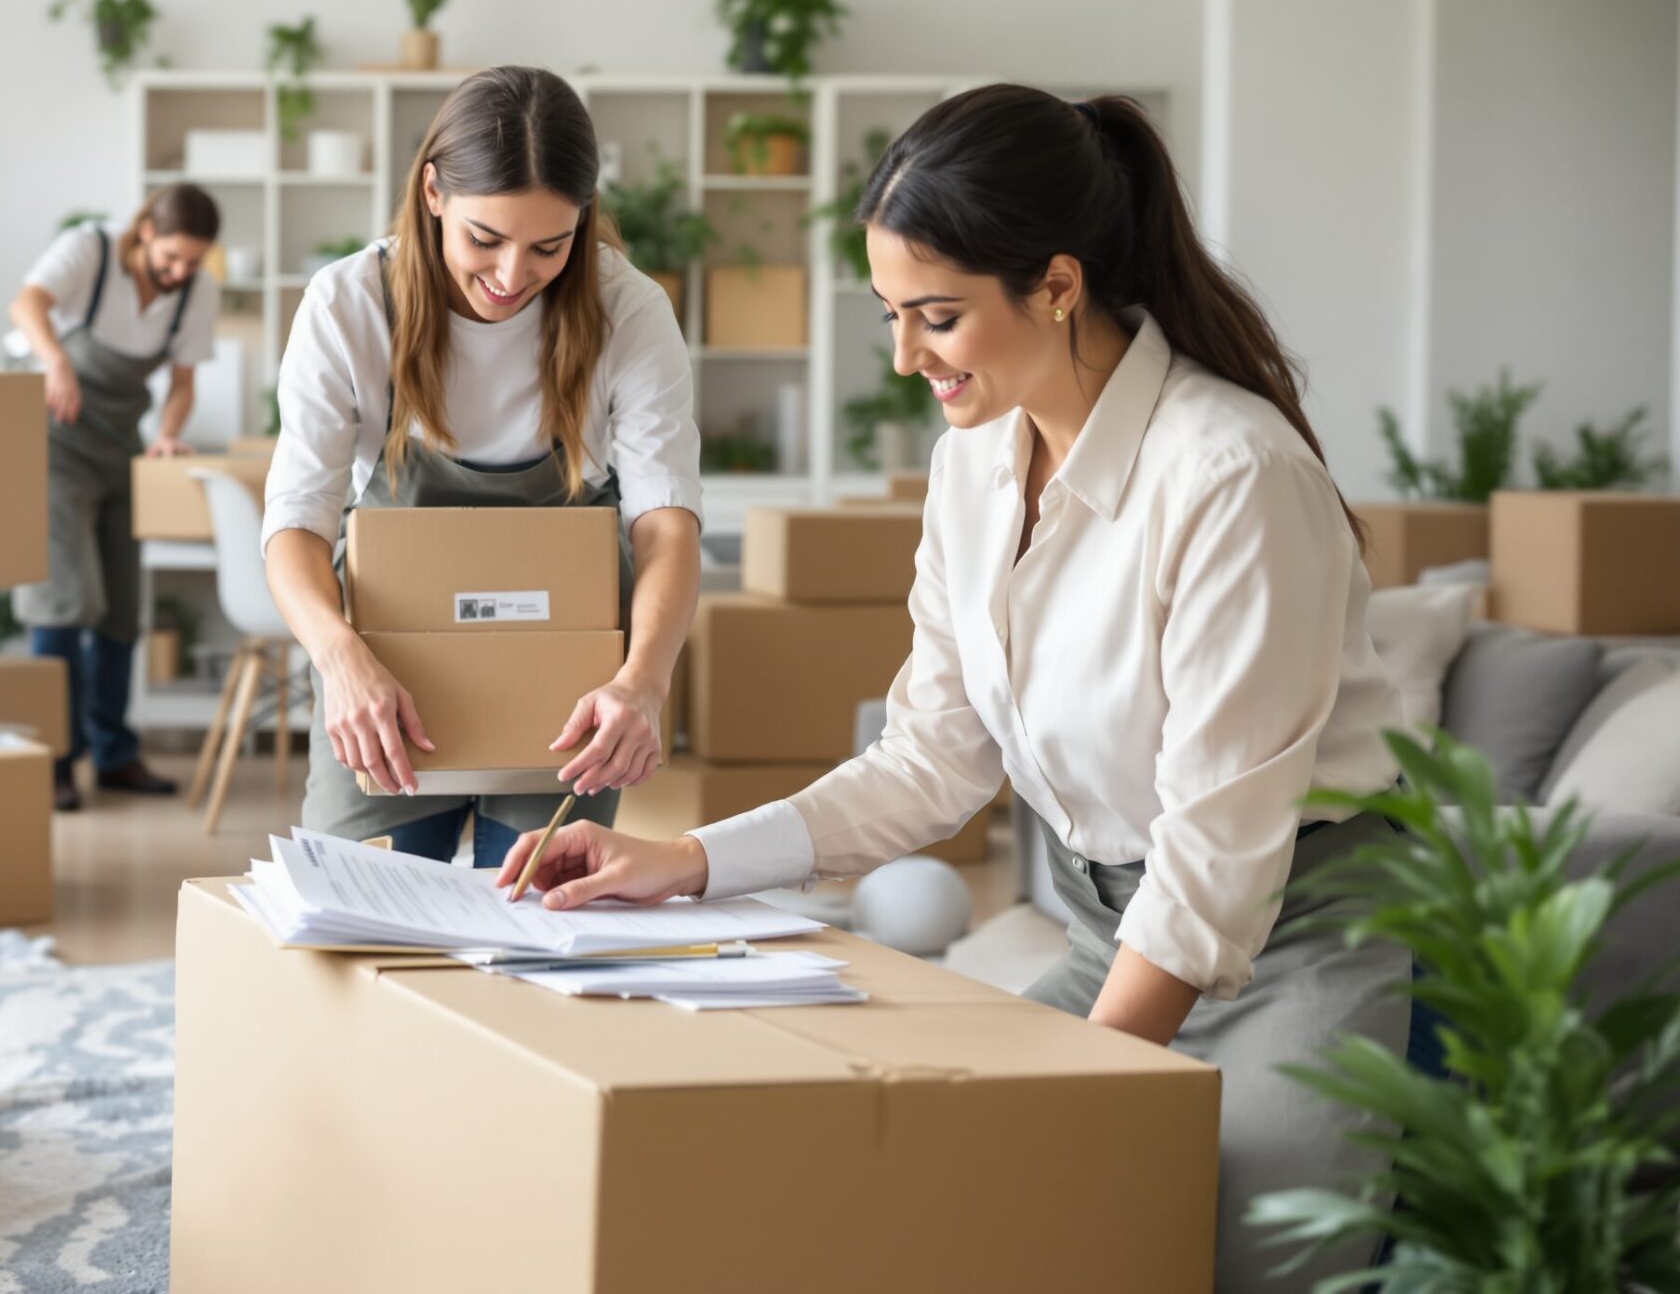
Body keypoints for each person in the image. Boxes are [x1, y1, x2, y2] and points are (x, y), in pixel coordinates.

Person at [494, 84, 1411, 1293]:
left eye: (935, 316)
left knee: (1245, 1260)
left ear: (1058, 284)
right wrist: (685, 860)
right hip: (1110, 926)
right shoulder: (974, 459)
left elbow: (1214, 859)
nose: (903, 356)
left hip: (1292, 931)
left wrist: (1073, 1101)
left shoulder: (1230, 476)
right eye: (888, 313)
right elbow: (931, 759)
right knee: (958, 1219)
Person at [261, 65, 702, 865]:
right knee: (357, 906)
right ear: (433, 193)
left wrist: (642, 680)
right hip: (387, 670)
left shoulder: (627, 311)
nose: (511, 277)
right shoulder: (349, 305)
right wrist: (340, 660)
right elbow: (294, 524)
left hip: (565, 680)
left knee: (540, 915)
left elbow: (665, 525)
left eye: (549, 246)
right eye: (485, 239)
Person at [9, 186, 222, 811]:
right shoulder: (90, 251)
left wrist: (167, 435)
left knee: (122, 607)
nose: (181, 273)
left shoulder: (195, 292)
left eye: (194, 262)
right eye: (172, 258)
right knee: (63, 601)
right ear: (144, 232)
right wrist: (55, 361)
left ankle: (114, 752)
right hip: (52, 443)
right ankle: (54, 758)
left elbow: (183, 383)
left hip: (119, 449)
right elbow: (26, 303)